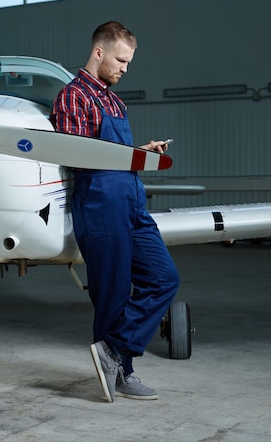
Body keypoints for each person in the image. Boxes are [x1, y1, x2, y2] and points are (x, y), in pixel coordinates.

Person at [51, 21, 180, 403]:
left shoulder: (113, 100)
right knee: (112, 293)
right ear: (99, 52)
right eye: (121, 60)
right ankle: (122, 371)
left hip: (131, 200)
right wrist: (124, 157)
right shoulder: (73, 97)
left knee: (163, 278)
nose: (125, 68)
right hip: (100, 203)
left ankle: (113, 349)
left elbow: (108, 151)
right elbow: (75, 156)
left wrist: (139, 152)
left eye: (129, 62)